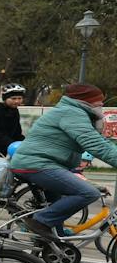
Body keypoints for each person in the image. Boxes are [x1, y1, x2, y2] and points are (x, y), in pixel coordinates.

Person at [11, 84, 117, 240]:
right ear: (85, 101)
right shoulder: (71, 113)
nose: (101, 104)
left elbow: (102, 142)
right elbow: (94, 145)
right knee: (88, 193)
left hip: (43, 163)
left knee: (56, 203)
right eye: (98, 101)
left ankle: (57, 246)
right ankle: (39, 222)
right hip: (37, 164)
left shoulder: (75, 113)